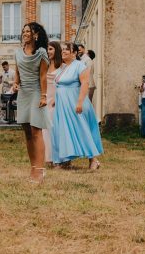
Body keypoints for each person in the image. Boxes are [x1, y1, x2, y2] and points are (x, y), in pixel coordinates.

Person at [50, 42, 103, 170]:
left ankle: (93, 160)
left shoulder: (80, 65)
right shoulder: (63, 68)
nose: (63, 51)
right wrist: (56, 99)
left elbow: (85, 84)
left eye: (66, 49)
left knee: (82, 129)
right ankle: (65, 160)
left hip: (75, 103)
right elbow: (60, 85)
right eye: (62, 49)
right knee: (63, 131)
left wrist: (79, 103)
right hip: (63, 106)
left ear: (74, 53)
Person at [11, 22, 50, 184]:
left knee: (36, 130)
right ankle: (33, 167)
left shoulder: (41, 52)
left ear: (36, 34)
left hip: (36, 92)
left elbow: (43, 76)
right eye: (24, 31)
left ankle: (40, 171)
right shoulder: (18, 52)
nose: (25, 33)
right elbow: (17, 71)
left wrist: (44, 96)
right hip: (23, 94)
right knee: (27, 131)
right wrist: (15, 83)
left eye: (28, 31)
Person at [42, 41, 62, 168]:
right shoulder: (45, 65)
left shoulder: (63, 67)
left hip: (56, 100)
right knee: (46, 130)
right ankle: (48, 158)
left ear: (57, 50)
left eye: (50, 49)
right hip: (46, 99)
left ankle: (59, 159)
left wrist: (57, 98)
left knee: (57, 130)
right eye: (47, 49)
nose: (48, 52)